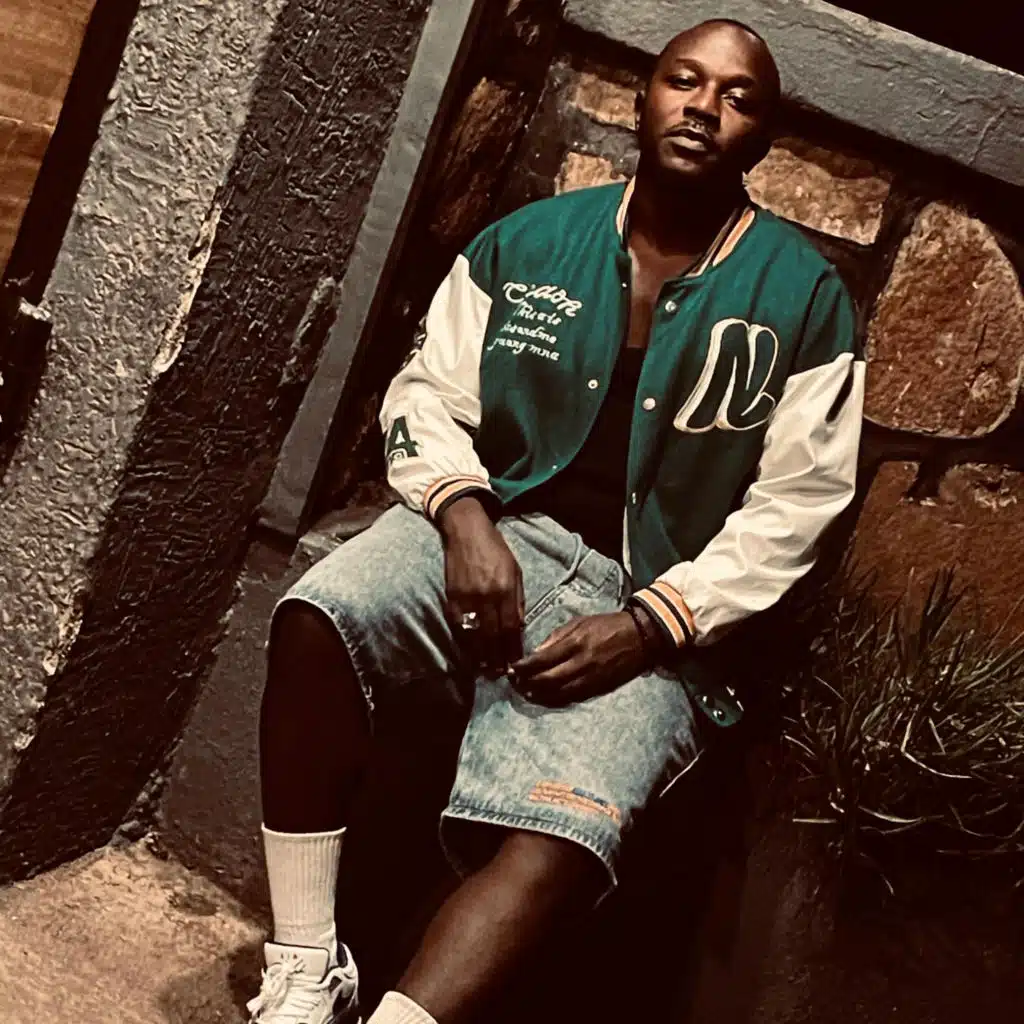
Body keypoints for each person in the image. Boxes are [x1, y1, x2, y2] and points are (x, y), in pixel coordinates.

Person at [247, 18, 864, 1024]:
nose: (703, 108)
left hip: (659, 604)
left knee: (567, 828)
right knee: (322, 615)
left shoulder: (805, 299)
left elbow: (801, 505)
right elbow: (424, 395)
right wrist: (463, 519)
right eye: (684, 80)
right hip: (501, 534)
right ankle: (308, 970)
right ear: (645, 97)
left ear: (763, 137)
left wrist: (651, 625)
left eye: (737, 97)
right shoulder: (531, 242)